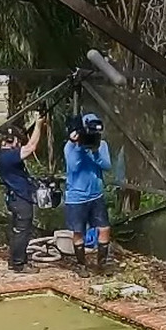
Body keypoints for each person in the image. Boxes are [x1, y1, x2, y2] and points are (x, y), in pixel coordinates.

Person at [0, 114, 47, 274]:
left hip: (15, 197)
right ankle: (19, 263)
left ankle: (16, 260)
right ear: (15, 141)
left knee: (18, 230)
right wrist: (38, 125)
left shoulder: (3, 155)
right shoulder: (9, 156)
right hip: (19, 199)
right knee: (22, 231)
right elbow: (31, 147)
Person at [64, 113, 112, 278]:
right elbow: (73, 167)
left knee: (104, 229)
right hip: (76, 197)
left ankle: (102, 264)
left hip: (96, 195)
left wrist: (95, 152)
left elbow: (107, 165)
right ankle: (81, 264)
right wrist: (79, 147)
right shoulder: (70, 147)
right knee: (78, 232)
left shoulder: (101, 144)